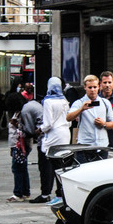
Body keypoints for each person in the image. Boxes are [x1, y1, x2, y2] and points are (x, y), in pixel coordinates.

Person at [31, 77, 71, 205]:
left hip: (53, 136)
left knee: (49, 165)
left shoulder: (48, 101)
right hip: (65, 134)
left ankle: (47, 194)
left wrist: (39, 130)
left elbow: (47, 124)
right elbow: (69, 121)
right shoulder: (64, 100)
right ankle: (61, 193)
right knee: (61, 166)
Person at [66, 75, 113, 160]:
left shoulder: (105, 103)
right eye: (90, 87)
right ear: (85, 87)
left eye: (95, 87)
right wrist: (81, 109)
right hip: (84, 146)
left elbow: (112, 123)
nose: (92, 90)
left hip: (102, 146)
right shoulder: (79, 102)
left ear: (99, 87)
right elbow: (68, 117)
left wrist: (103, 124)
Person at [6, 98, 31, 202]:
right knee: (22, 168)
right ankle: (25, 191)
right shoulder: (18, 113)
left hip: (20, 145)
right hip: (17, 144)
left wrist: (15, 124)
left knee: (17, 168)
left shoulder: (21, 114)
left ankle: (18, 193)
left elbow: (25, 129)